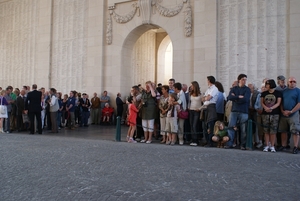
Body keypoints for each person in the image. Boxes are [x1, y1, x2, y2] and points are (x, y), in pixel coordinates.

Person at [226, 74, 251, 150]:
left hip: (243, 111)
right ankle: (229, 143)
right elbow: (230, 97)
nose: (244, 81)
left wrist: (235, 97)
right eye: (243, 79)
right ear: (239, 80)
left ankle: (242, 144)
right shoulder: (234, 89)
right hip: (234, 110)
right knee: (231, 127)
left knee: (243, 129)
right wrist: (238, 96)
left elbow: (246, 99)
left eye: (245, 79)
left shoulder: (247, 89)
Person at [278, 77, 300, 154]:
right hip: (284, 114)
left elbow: (299, 104)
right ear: (288, 82)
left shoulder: (298, 91)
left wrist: (291, 111)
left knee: (295, 131)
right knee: (283, 131)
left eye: (294, 81)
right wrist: (282, 111)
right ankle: (284, 145)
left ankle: (295, 147)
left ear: (296, 83)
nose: (292, 83)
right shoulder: (284, 91)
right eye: (290, 81)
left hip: (293, 114)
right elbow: (280, 102)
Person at [260, 79, 282, 152]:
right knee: (266, 130)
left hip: (274, 113)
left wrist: (271, 108)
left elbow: (278, 103)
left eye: (267, 84)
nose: (266, 86)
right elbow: (262, 102)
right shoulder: (264, 93)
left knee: (273, 130)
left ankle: (272, 146)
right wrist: (266, 108)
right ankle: (266, 145)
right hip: (265, 113)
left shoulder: (278, 93)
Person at [201, 76, 219, 147]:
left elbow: (209, 98)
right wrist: (206, 98)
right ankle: (206, 140)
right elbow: (203, 99)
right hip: (205, 107)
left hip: (211, 107)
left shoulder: (214, 89)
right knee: (204, 126)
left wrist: (206, 98)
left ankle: (210, 142)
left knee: (210, 125)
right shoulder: (208, 89)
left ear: (209, 81)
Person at [188, 81, 202, 146]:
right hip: (191, 110)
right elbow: (189, 102)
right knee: (191, 125)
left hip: (197, 111)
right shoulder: (190, 94)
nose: (191, 87)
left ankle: (196, 140)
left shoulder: (200, 94)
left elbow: (204, 103)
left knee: (194, 125)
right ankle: (193, 139)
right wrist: (188, 107)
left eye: (192, 86)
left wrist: (199, 108)